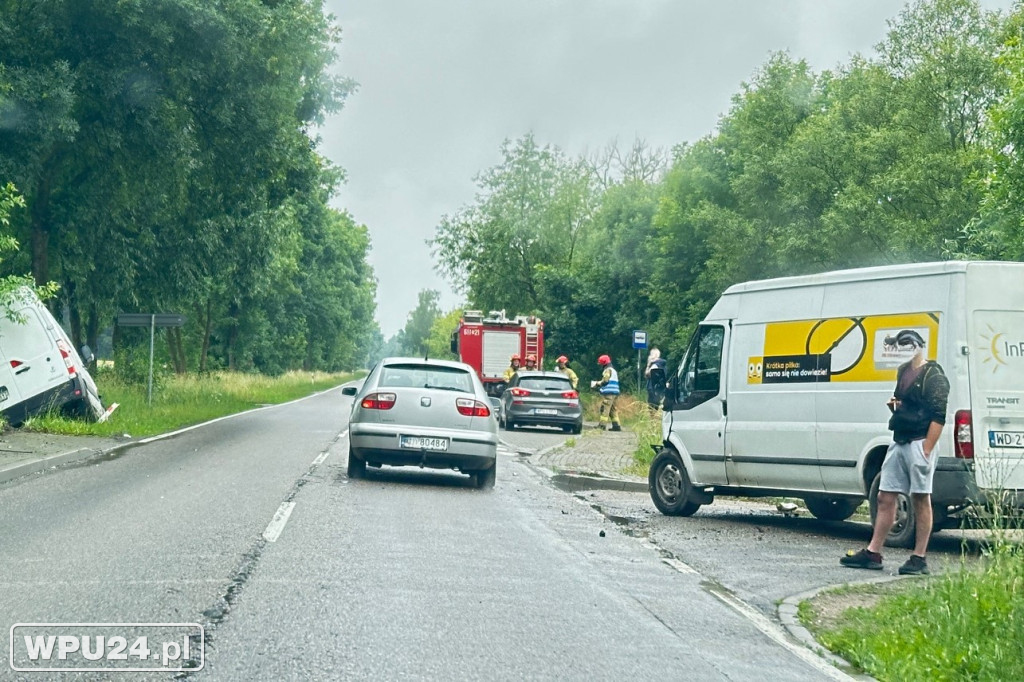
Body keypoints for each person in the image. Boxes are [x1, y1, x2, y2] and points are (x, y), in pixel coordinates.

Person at [840, 329, 949, 575]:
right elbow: (903, 402)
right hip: (899, 440)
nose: (904, 350)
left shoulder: (934, 376)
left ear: (920, 346)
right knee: (884, 496)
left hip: (920, 442)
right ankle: (873, 552)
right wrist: (896, 407)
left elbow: (938, 416)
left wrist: (926, 449)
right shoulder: (903, 372)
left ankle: (919, 558)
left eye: (909, 345)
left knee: (920, 498)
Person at [590, 354, 621, 431]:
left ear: (603, 363)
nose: (600, 365)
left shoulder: (607, 370)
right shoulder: (613, 370)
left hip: (609, 394)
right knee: (613, 410)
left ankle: (602, 426)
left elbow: (605, 380)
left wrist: (597, 383)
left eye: (600, 364)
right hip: (615, 393)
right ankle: (616, 426)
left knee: (605, 408)